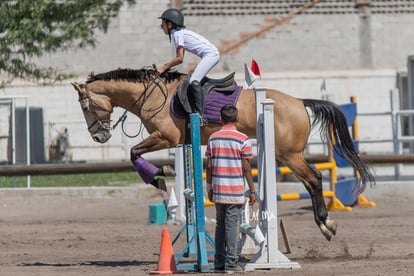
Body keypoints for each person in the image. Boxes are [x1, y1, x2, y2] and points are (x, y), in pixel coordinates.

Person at [205, 104, 257, 273]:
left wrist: (210, 187)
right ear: (237, 119)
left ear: (220, 119)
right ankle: (231, 264)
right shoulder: (243, 139)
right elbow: (246, 167)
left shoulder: (212, 138)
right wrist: (252, 190)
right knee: (231, 226)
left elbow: (209, 166)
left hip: (219, 189)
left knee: (220, 225)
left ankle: (219, 263)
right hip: (235, 190)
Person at [157, 8, 220, 125]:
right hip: (210, 54)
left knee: (193, 81)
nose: (161, 27)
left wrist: (163, 67)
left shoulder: (177, 34)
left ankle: (201, 116)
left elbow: (180, 58)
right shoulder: (180, 33)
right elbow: (180, 58)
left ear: (170, 24)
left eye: (162, 24)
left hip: (211, 55)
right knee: (192, 78)